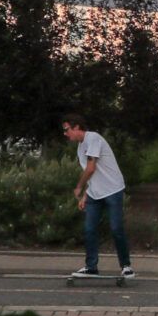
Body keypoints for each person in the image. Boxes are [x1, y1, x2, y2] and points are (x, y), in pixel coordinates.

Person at [62, 115, 131, 279]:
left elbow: (91, 168)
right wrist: (86, 195)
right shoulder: (80, 148)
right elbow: (93, 174)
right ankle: (91, 266)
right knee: (89, 229)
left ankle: (126, 266)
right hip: (95, 193)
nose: (65, 133)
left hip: (113, 190)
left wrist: (79, 187)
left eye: (67, 129)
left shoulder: (93, 138)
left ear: (77, 127)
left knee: (116, 228)